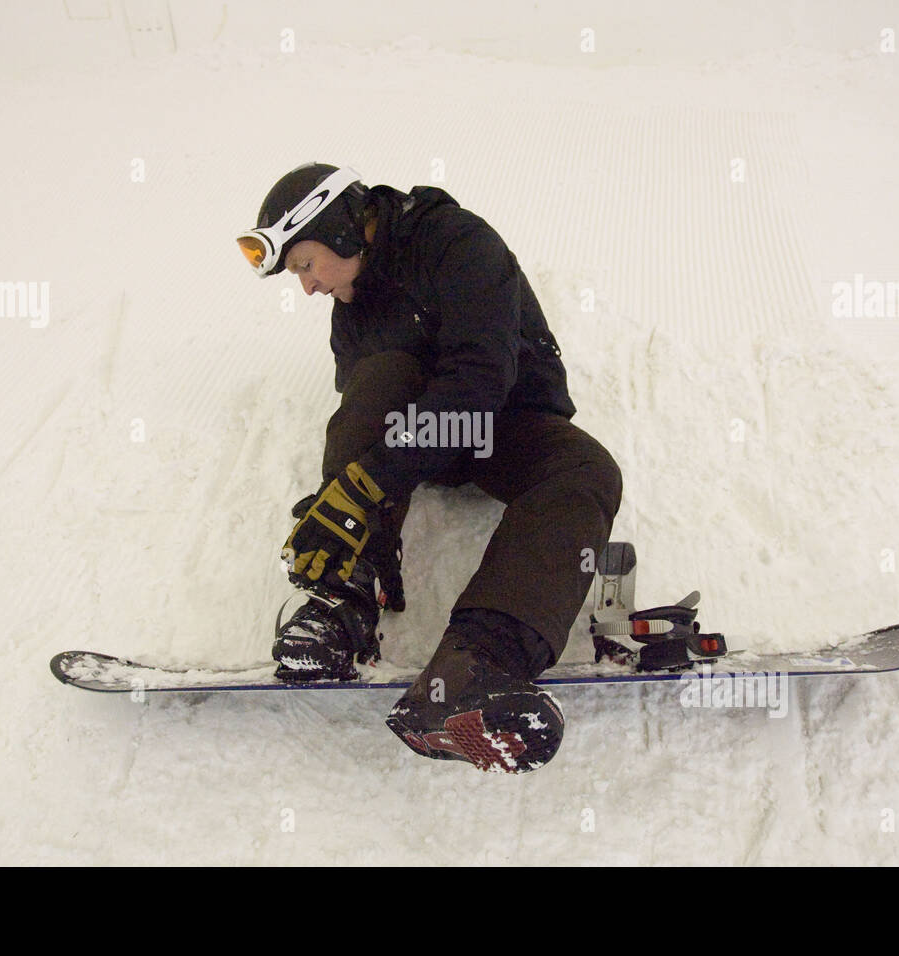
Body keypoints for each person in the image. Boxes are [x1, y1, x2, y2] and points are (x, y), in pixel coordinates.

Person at [237, 162, 622, 773]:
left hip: (504, 420)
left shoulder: (456, 243)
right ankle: (344, 603)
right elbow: (368, 413)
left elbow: (476, 384)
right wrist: (348, 502)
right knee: (378, 377)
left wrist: (368, 483)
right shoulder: (353, 308)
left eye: (306, 265)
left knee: (586, 468)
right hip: (423, 435)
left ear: (339, 229)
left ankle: (477, 669)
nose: (306, 286)